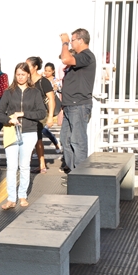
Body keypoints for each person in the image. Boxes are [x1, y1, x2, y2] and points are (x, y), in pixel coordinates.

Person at [0, 63, 47, 210]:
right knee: (11, 167)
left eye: (23, 74)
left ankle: (22, 195)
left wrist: (23, 114)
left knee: (24, 166)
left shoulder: (35, 92)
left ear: (28, 75)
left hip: (29, 132)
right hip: (12, 131)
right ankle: (11, 198)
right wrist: (9, 119)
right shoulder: (9, 92)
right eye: (18, 74)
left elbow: (41, 113)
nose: (20, 77)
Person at [59, 28, 96, 183]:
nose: (71, 43)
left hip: (79, 105)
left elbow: (65, 59)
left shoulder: (86, 56)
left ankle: (81, 179)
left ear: (81, 40)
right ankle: (73, 174)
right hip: (69, 105)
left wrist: (65, 42)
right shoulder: (80, 57)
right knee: (65, 140)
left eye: (73, 40)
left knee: (77, 142)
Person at [26, 57, 55, 174]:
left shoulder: (43, 81)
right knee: (29, 139)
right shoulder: (26, 81)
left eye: (28, 65)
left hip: (39, 114)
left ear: (35, 67)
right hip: (27, 114)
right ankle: (30, 164)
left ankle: (42, 164)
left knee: (37, 139)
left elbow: (51, 99)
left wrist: (50, 117)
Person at [42, 62, 62, 152]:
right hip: (42, 106)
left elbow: (59, 90)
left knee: (44, 129)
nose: (46, 72)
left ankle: (55, 141)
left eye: (49, 71)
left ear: (53, 71)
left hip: (50, 106)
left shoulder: (55, 81)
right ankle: (35, 151)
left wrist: (56, 88)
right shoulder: (41, 80)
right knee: (38, 130)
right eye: (45, 70)